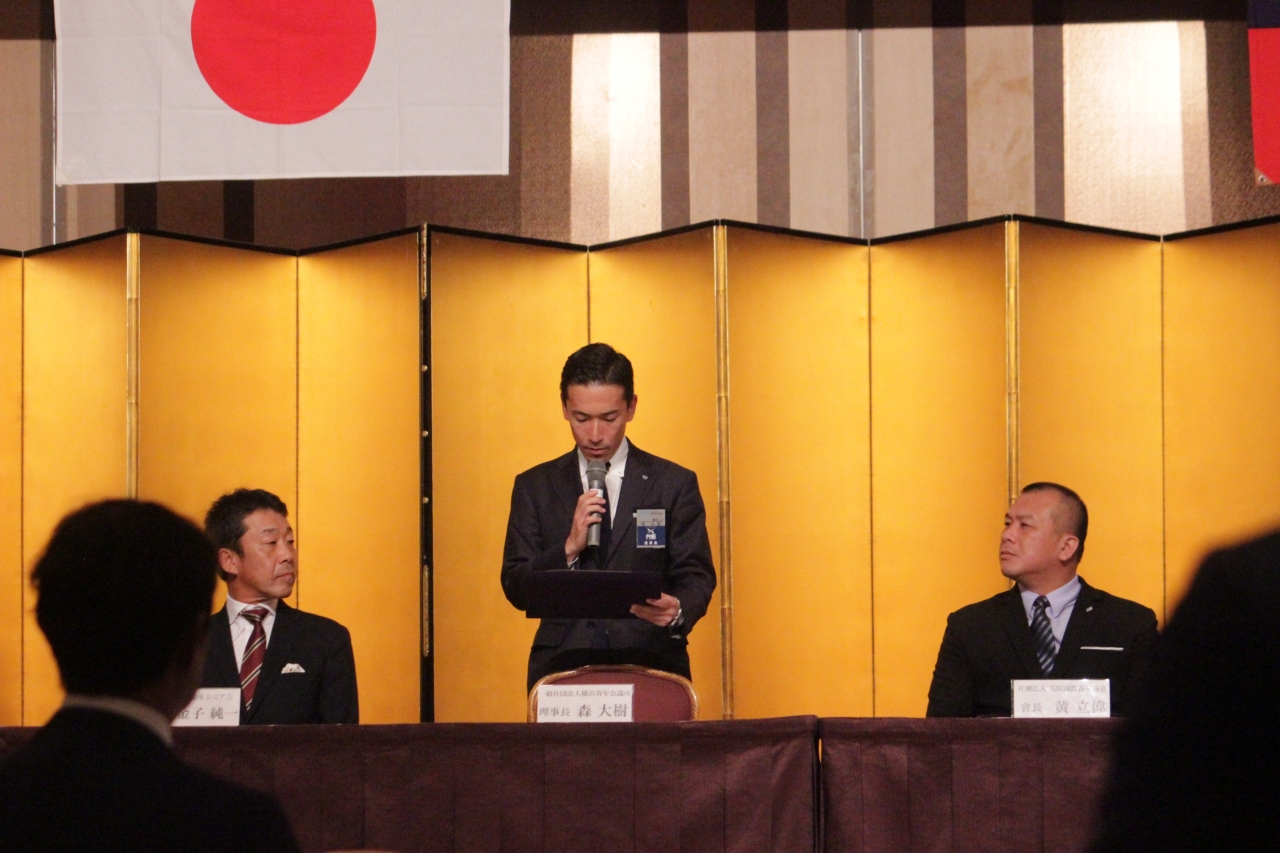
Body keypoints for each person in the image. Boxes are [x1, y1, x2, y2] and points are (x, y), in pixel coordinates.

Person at [0, 500, 300, 852]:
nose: (287, 554)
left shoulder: (12, 798)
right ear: (193, 639)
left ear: (47, 625)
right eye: (271, 542)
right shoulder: (239, 826)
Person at [502, 342, 717, 691]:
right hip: (562, 667)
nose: (595, 435)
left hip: (651, 661)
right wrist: (568, 548)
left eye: (609, 418)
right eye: (581, 419)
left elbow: (696, 575)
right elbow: (516, 585)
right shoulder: (535, 486)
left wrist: (677, 609)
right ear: (564, 408)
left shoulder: (672, 483)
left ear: (631, 407)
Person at [1089, 530, 1280, 853]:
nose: (1008, 537)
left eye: (1025, 525)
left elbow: (1162, 761)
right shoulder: (1244, 579)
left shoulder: (1243, 580)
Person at [926, 482, 1159, 717]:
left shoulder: (1130, 625)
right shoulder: (970, 627)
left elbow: (1154, 723)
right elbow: (942, 730)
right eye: (1007, 524)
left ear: (1066, 547)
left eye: (1025, 525)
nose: (1007, 535)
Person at [201, 488, 358, 724]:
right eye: (271, 543)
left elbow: (342, 741)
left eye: (290, 542)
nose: (287, 555)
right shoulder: (192, 642)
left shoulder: (326, 640)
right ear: (229, 560)